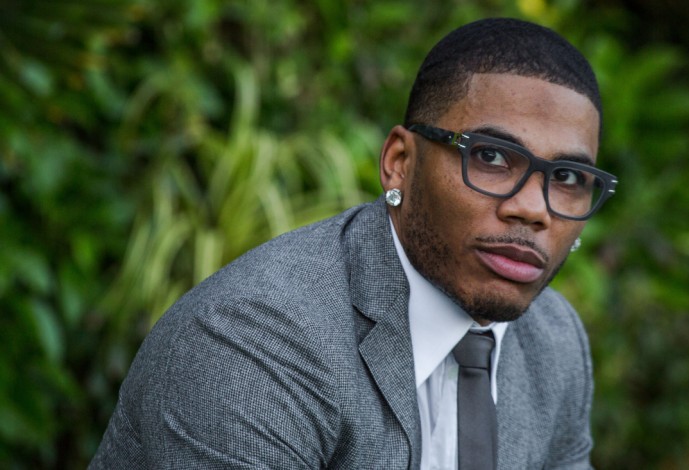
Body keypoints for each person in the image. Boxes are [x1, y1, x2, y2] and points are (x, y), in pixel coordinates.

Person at [90, 17, 617, 469]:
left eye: (568, 178)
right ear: (399, 163)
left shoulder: (553, 341)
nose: (533, 209)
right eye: (491, 157)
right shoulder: (254, 343)